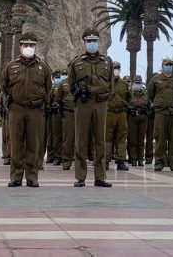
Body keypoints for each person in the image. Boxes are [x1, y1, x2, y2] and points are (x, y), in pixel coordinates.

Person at [2, 32, 52, 187]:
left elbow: (48, 88)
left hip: (35, 110)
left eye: (31, 45)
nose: (28, 48)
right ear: (20, 47)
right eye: (25, 45)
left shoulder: (43, 67)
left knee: (33, 143)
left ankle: (32, 177)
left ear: (35, 47)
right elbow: (4, 86)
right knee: (16, 144)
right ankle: (16, 177)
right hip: (16, 109)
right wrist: (9, 101)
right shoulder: (11, 66)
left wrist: (42, 103)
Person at [68, 28, 114, 186]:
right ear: (84, 42)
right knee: (81, 139)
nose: (92, 44)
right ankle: (80, 177)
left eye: (94, 41)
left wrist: (103, 96)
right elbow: (70, 84)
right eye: (89, 41)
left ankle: (100, 177)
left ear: (99, 42)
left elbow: (111, 85)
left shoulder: (107, 61)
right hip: (83, 104)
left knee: (100, 140)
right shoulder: (76, 62)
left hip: (101, 103)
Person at [148, 57, 173, 173]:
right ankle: (159, 162)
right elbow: (150, 93)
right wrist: (158, 103)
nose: (168, 67)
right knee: (160, 138)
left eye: (170, 65)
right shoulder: (156, 79)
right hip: (161, 112)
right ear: (162, 66)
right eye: (166, 65)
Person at [105, 61, 130, 171]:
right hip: (109, 113)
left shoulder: (124, 84)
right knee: (107, 138)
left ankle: (121, 161)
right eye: (114, 67)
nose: (116, 69)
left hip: (121, 114)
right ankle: (105, 161)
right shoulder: (106, 82)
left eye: (118, 68)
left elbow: (129, 97)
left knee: (121, 138)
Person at [127, 75, 150, 167]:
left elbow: (150, 104)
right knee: (133, 139)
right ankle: (133, 159)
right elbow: (125, 103)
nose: (137, 84)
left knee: (141, 140)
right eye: (136, 82)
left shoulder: (145, 94)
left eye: (139, 82)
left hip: (143, 117)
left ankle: (140, 159)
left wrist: (147, 110)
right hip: (132, 117)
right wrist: (130, 109)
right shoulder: (129, 94)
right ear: (133, 83)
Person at [56, 69, 76, 170]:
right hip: (68, 113)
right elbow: (58, 98)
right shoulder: (63, 84)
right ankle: (66, 161)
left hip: (81, 113)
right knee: (68, 138)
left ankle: (79, 161)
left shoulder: (81, 83)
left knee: (82, 140)